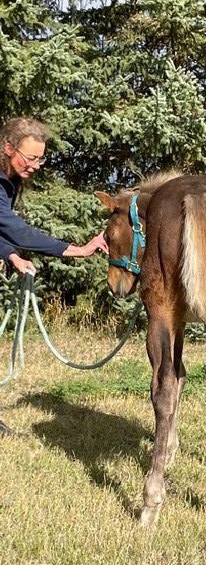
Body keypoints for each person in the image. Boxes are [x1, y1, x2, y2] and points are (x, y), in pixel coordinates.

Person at [0, 117, 108, 436]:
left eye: (40, 158)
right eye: (30, 157)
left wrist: (10, 255)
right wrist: (74, 249)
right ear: (8, 148)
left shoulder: (10, 179)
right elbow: (15, 228)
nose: (35, 165)